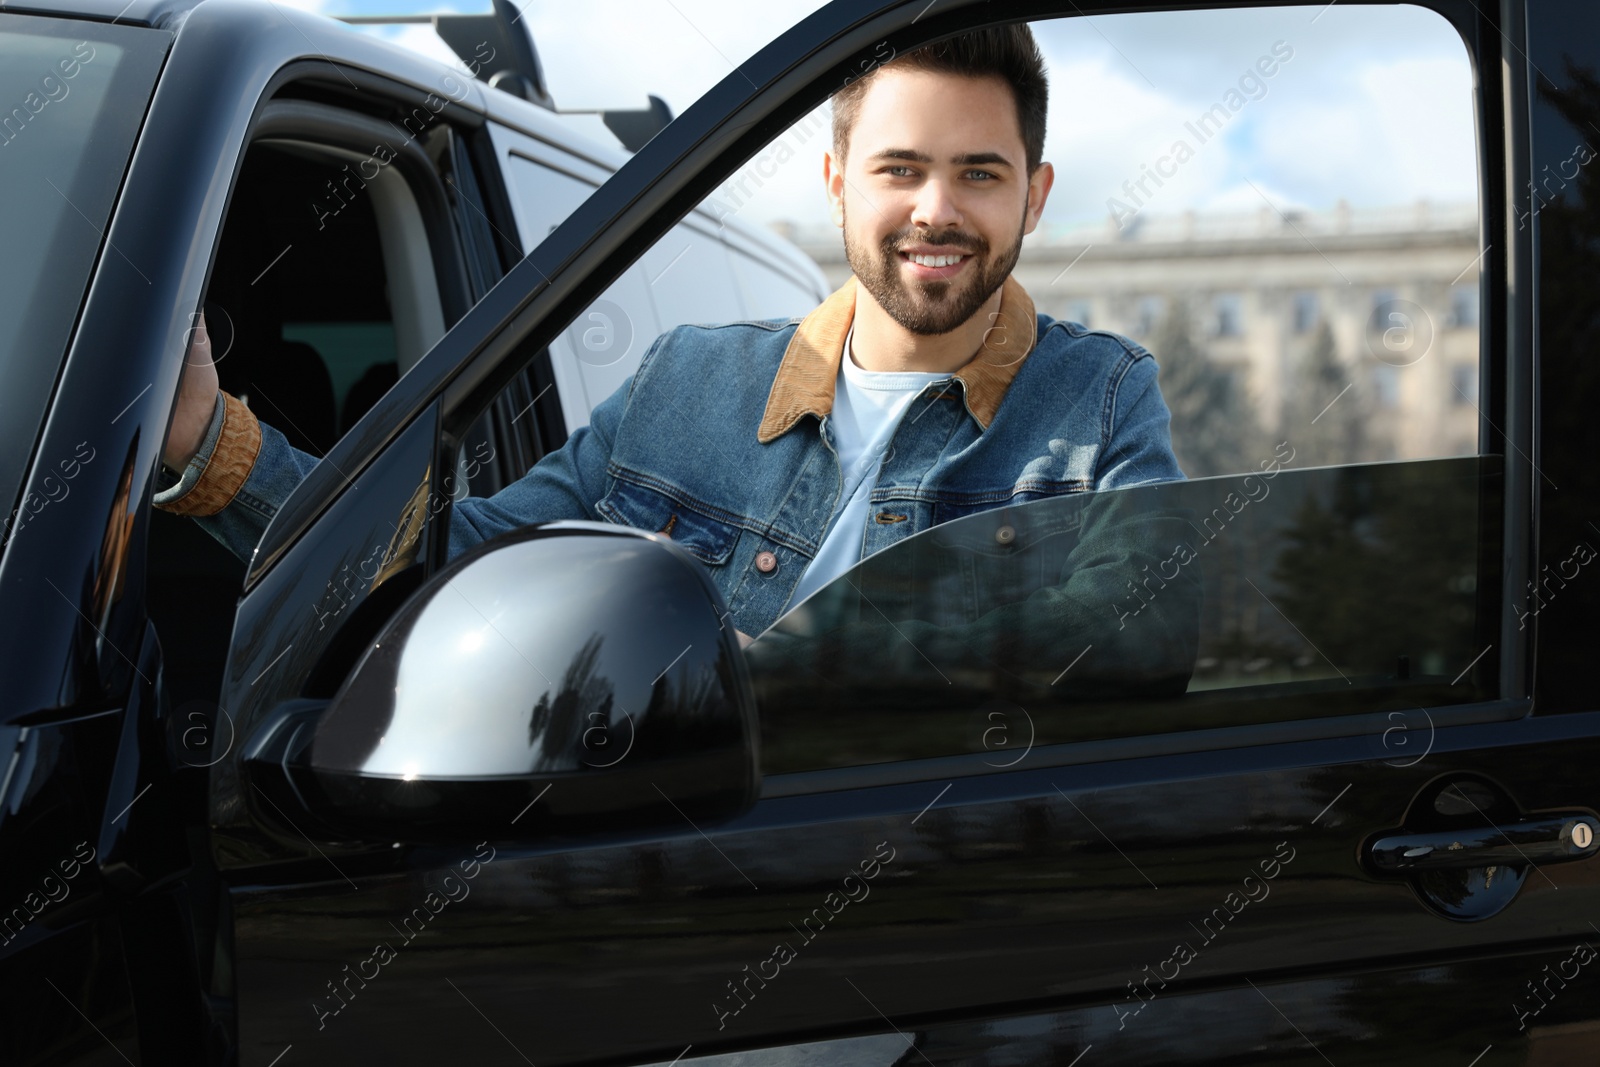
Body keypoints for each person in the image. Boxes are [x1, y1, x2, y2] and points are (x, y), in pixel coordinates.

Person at [155, 25, 1190, 652]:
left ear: (1034, 195)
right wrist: (211, 445)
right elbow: (456, 561)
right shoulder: (685, 380)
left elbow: (1144, 636)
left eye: (979, 172)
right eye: (898, 167)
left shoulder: (1097, 398)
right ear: (837, 183)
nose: (934, 210)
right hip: (671, 904)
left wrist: (762, 650)